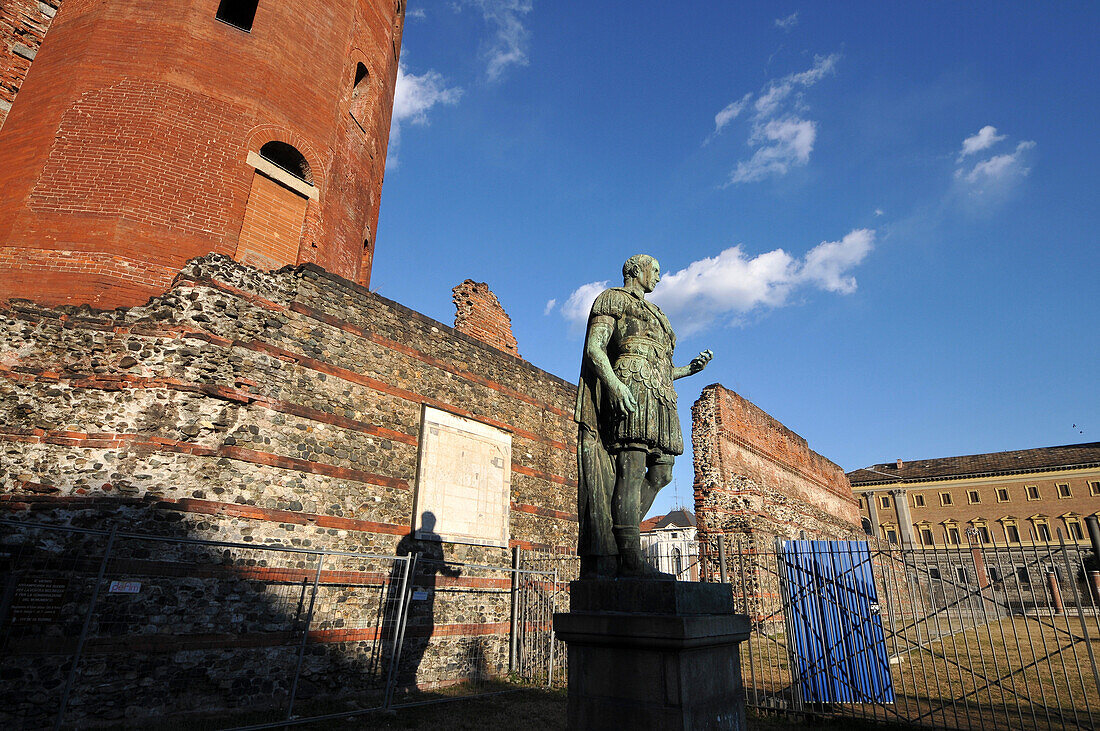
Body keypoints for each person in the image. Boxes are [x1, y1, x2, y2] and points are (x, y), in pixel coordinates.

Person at [575, 254, 712, 578]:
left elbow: (660, 366)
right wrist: (614, 385)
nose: (660, 278)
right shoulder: (612, 299)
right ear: (637, 270)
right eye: (656, 272)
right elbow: (595, 348)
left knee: (663, 471)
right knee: (632, 467)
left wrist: (687, 370)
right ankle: (630, 557)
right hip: (630, 383)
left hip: (659, 391)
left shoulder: (657, 314)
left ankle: (617, 534)